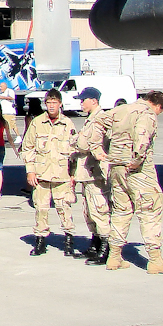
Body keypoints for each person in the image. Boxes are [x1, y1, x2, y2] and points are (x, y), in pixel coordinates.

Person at [86, 91, 163, 273]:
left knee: (121, 211)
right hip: (137, 171)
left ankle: (114, 257)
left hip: (116, 167)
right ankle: (155, 260)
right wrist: (137, 158)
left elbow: (97, 122)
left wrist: (97, 149)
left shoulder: (121, 110)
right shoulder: (146, 113)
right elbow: (142, 135)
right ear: (157, 105)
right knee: (150, 210)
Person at [21, 89, 78, 256]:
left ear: (60, 104)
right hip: (42, 175)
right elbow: (28, 148)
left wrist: (73, 175)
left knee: (64, 208)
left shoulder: (68, 124)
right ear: (45, 105)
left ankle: (68, 241)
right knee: (41, 208)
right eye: (49, 103)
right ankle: (40, 241)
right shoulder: (37, 123)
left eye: (55, 103)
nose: (52, 106)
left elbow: (74, 151)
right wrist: (30, 171)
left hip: (62, 175)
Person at [69, 86, 112, 265]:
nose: (81, 103)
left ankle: (106, 248)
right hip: (86, 173)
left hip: (96, 174)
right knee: (89, 211)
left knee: (100, 210)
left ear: (93, 101)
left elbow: (84, 144)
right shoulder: (90, 120)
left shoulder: (99, 119)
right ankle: (95, 244)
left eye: (83, 100)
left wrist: (75, 141)